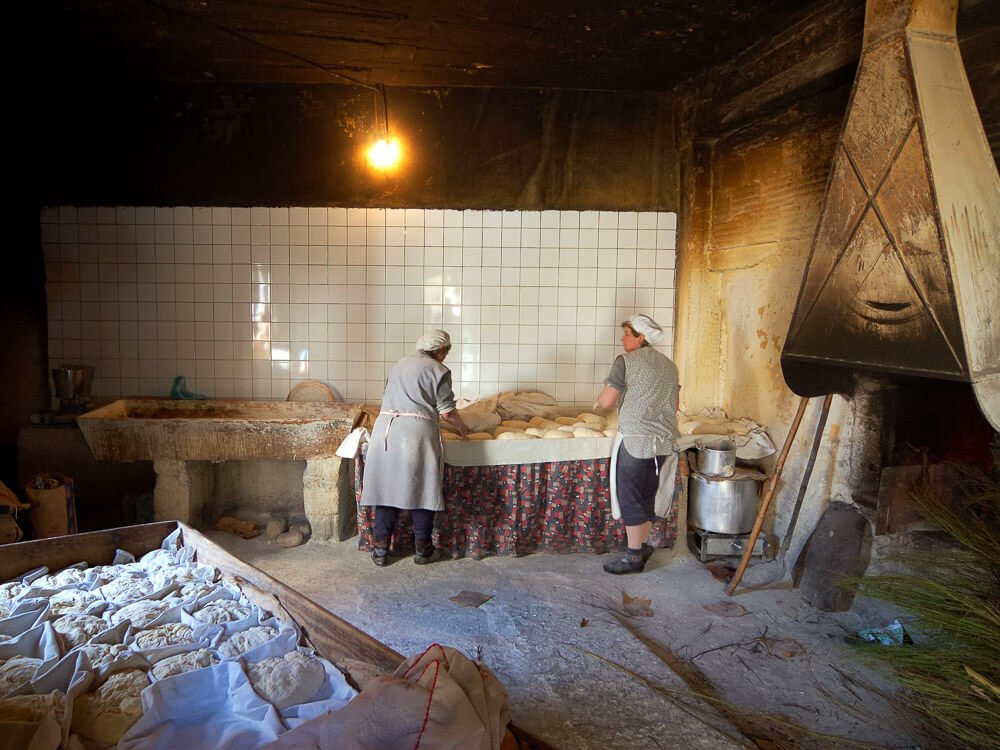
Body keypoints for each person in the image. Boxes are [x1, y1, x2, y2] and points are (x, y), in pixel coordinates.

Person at [360, 329, 468, 567]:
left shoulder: (399, 364)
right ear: (441, 351)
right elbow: (448, 412)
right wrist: (463, 428)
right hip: (415, 434)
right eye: (447, 352)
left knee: (386, 491)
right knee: (422, 490)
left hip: (386, 431)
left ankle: (380, 551)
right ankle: (423, 552)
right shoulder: (439, 370)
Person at [594, 314, 680, 574]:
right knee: (647, 494)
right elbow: (674, 406)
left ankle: (633, 558)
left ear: (640, 338)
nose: (622, 338)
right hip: (664, 442)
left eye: (626, 334)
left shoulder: (625, 362)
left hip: (635, 441)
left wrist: (597, 405)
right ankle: (642, 546)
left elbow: (608, 400)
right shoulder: (669, 365)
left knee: (629, 495)